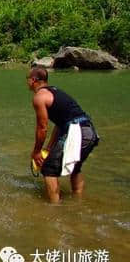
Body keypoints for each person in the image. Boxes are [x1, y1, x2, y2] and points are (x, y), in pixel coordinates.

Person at [27, 67, 99, 203]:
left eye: (28, 79)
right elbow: (60, 124)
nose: (27, 82)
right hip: (89, 131)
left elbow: (42, 128)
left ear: (33, 80)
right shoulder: (55, 91)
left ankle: (55, 209)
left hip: (77, 131)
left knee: (48, 169)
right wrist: (48, 148)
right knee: (76, 168)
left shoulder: (39, 97)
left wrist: (36, 152)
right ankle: (78, 202)